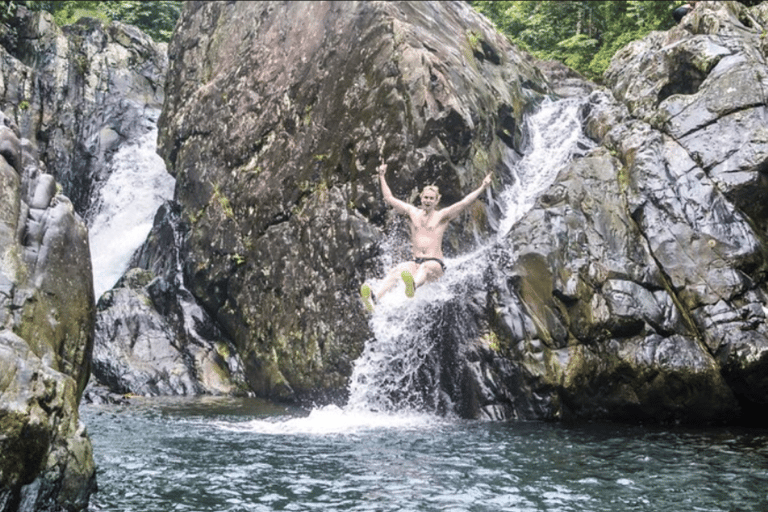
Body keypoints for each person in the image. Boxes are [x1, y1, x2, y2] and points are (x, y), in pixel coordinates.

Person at [360, 162, 492, 311]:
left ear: (436, 201)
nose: (428, 201)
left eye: (431, 198)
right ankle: (375, 299)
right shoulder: (412, 212)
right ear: (421, 198)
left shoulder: (442, 216)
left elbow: (465, 202)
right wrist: (382, 176)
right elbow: (389, 198)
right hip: (416, 263)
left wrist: (483, 187)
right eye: (426, 198)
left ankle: (412, 287)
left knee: (425, 267)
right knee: (398, 269)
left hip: (435, 265)